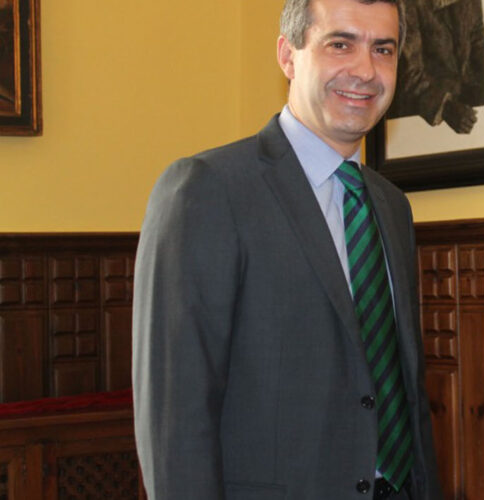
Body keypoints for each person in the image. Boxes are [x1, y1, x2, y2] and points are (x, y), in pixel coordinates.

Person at [132, 0, 441, 498]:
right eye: (340, 44)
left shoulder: (390, 206)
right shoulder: (207, 190)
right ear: (288, 55)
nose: (365, 70)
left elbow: (403, 395)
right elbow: (175, 415)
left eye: (382, 49)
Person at [387, 0, 484, 133]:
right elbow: (410, 74)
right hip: (417, 122)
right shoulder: (406, 4)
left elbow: (477, 37)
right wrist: (445, 107)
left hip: (464, 110)